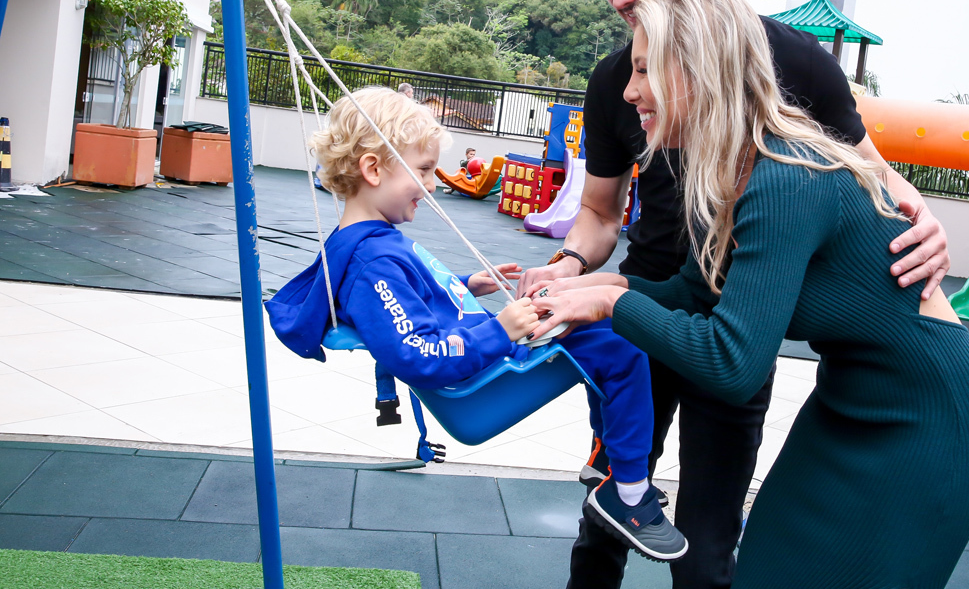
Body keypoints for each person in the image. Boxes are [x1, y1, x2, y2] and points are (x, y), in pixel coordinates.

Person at [517, 0, 952, 589]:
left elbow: (868, 174)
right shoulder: (618, 81)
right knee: (611, 505)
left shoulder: (795, 65)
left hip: (741, 311)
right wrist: (572, 267)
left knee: (709, 530)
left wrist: (922, 220)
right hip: (658, 297)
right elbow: (598, 211)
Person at [264, 87, 687, 563]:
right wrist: (502, 330)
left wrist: (466, 285)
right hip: (481, 375)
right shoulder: (373, 261)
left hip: (482, 346)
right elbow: (417, 354)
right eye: (423, 170)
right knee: (622, 341)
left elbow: (408, 304)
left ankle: (606, 461)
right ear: (373, 169)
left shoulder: (371, 241)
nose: (432, 185)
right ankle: (628, 491)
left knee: (595, 324)